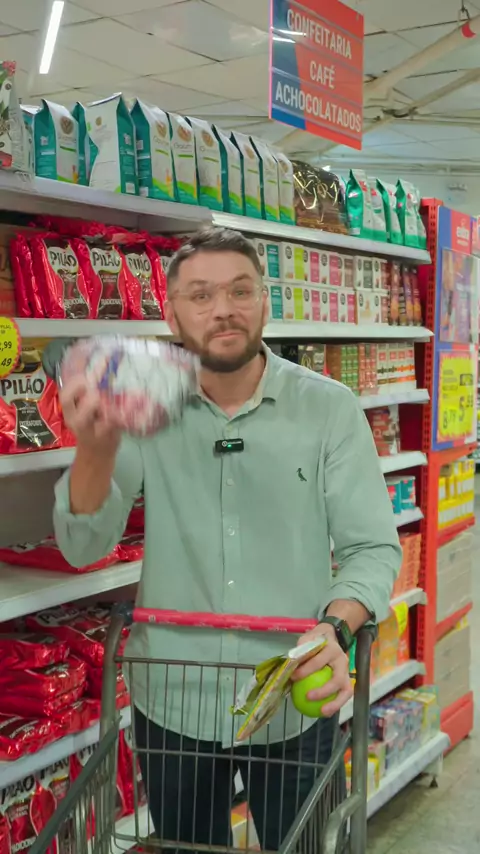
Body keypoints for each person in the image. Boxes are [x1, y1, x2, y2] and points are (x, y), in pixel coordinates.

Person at [54, 227, 401, 851]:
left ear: (265, 301)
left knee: (304, 843)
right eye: (201, 295)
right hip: (174, 702)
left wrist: (337, 627)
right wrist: (96, 449)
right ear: (172, 314)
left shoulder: (328, 409)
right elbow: (84, 546)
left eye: (241, 291)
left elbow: (372, 548)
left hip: (292, 699)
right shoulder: (141, 409)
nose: (223, 309)